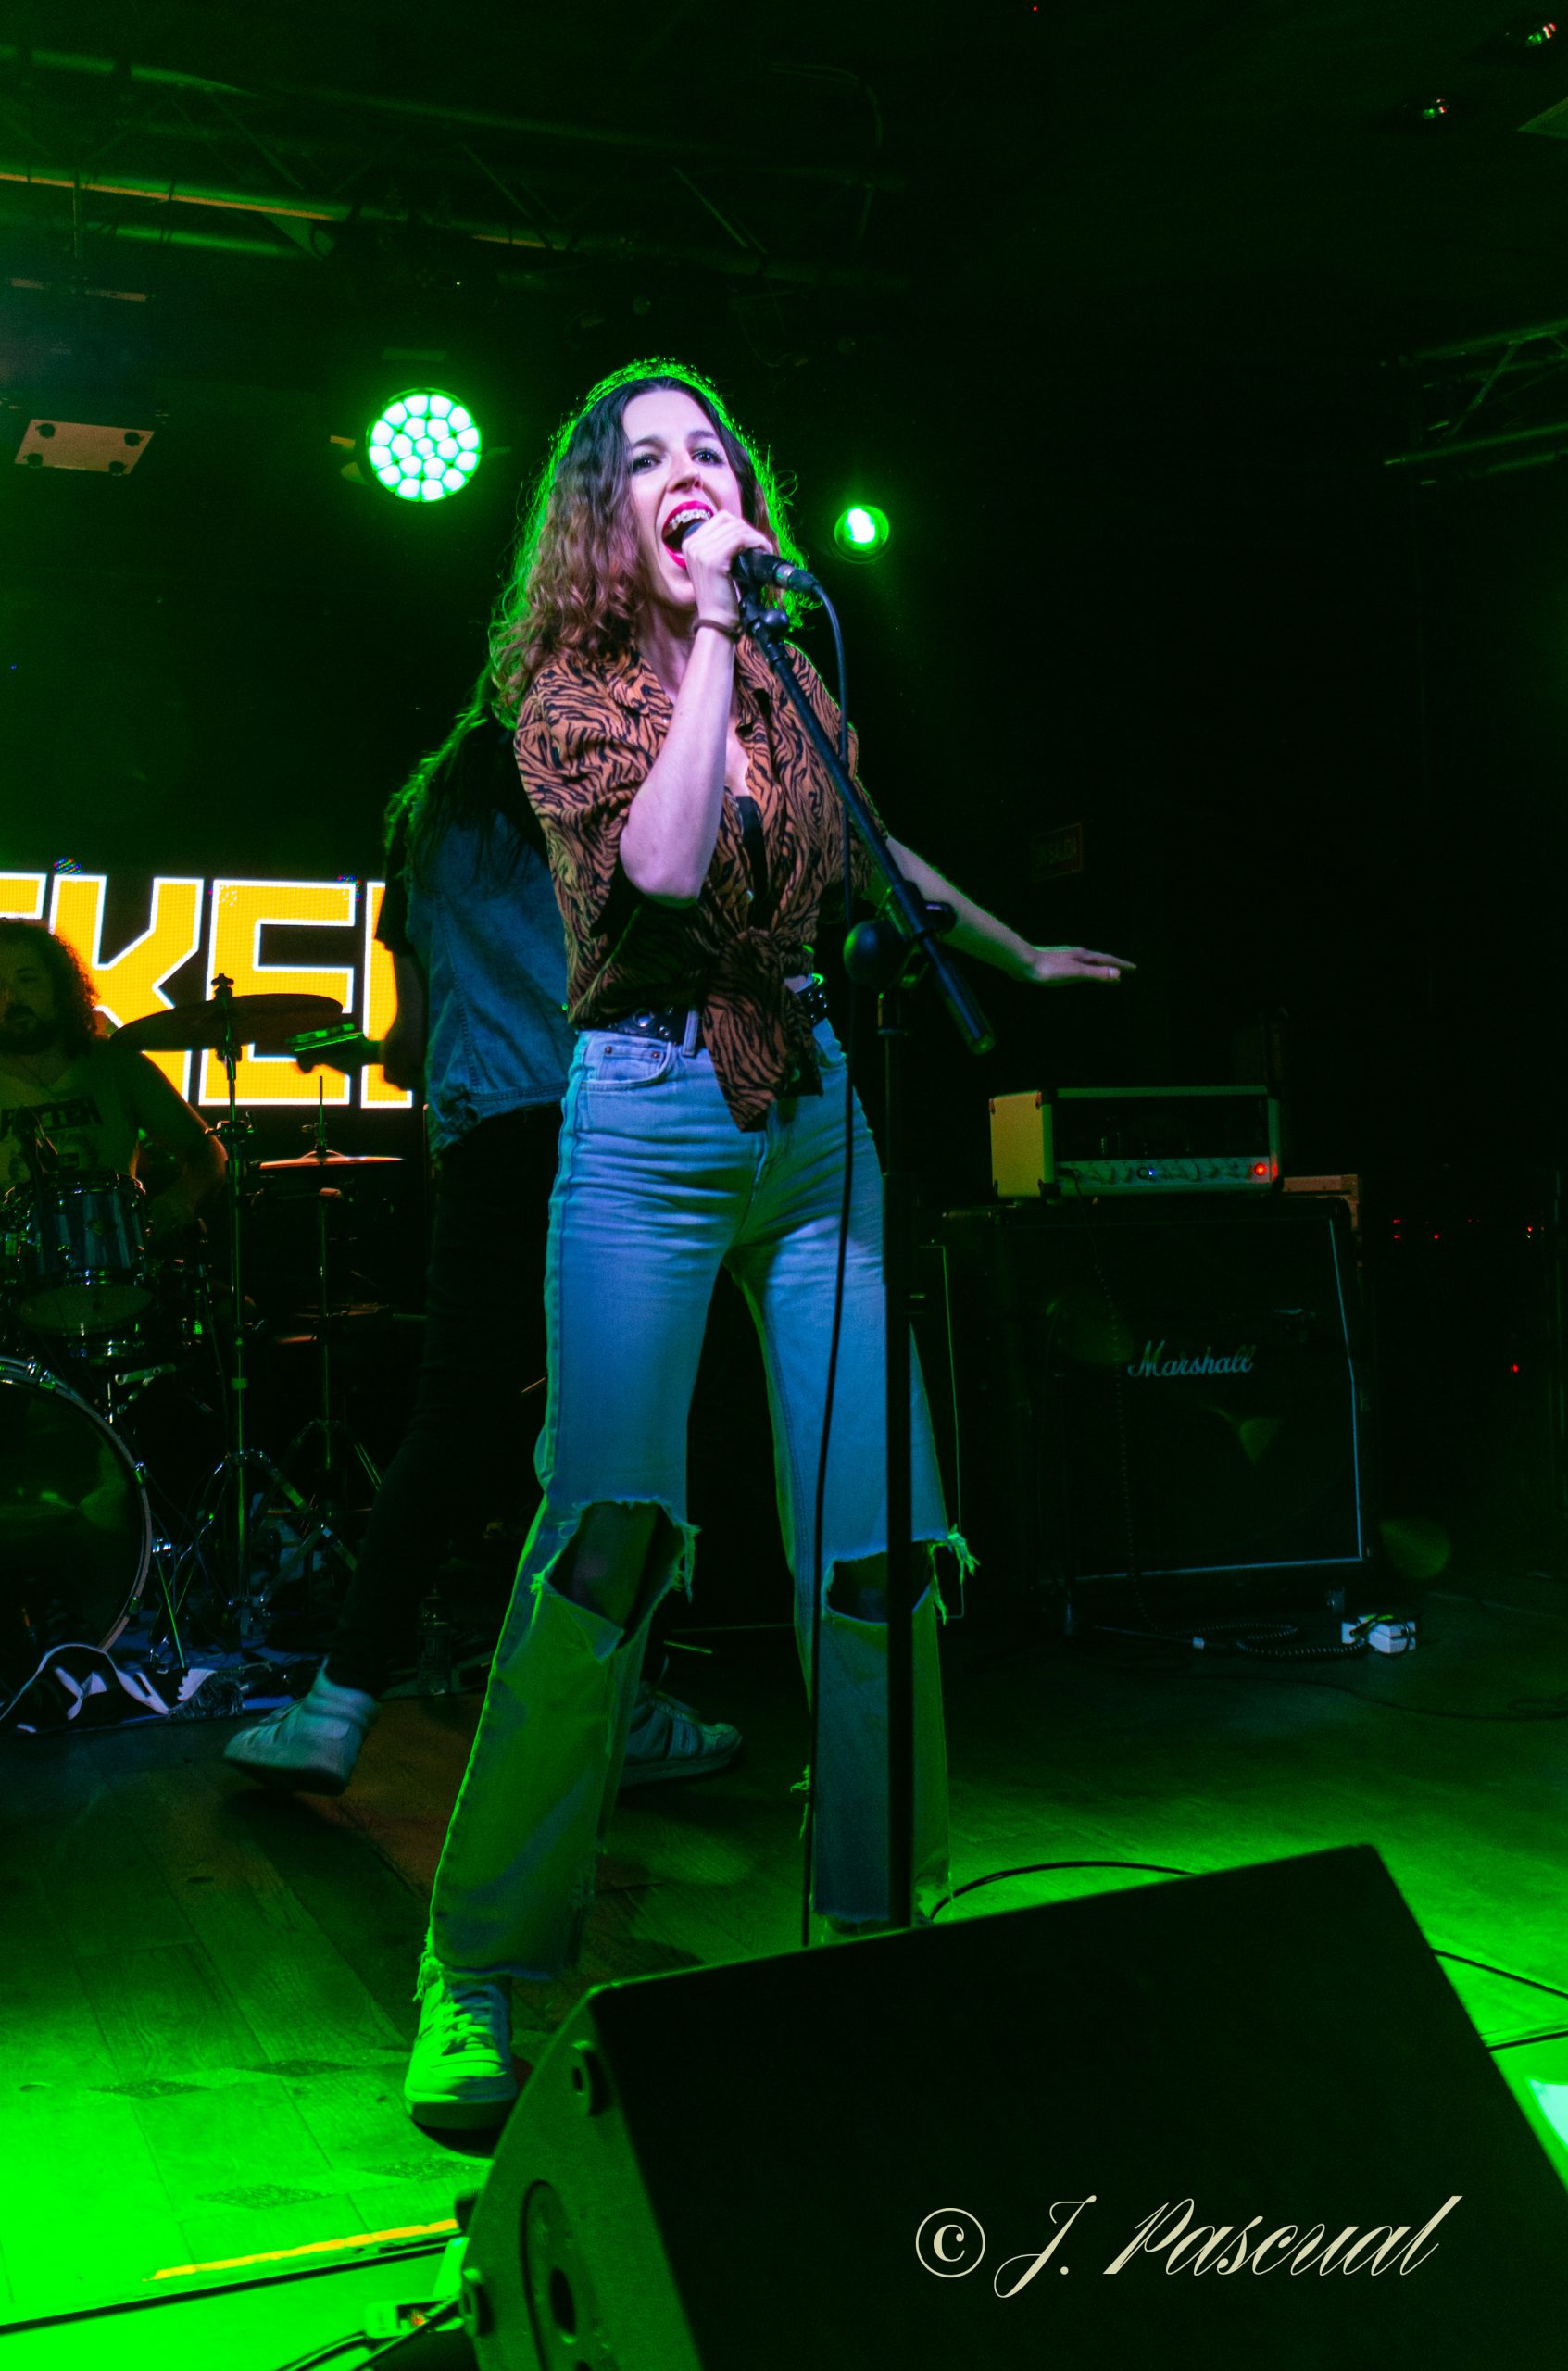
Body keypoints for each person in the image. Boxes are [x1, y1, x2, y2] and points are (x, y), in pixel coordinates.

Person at [402, 359, 1135, 2130]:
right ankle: (479, 1970)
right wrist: (719, 635)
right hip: (644, 1119)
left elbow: (872, 856)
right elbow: (660, 872)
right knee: (604, 1542)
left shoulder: (797, 680)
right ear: (605, 511)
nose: (685, 472)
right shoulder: (564, 690)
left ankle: (880, 1921)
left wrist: (1014, 950)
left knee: (878, 1549)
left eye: (707, 451)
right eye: (645, 458)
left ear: (742, 488)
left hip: (812, 1116)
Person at [222, 696, 743, 1793]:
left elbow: (411, 1045)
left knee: (450, 1418)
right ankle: (616, 1707)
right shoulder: (608, 785)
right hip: (616, 1121)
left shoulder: (425, 833)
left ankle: (335, 1705)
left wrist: (409, 1045)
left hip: (493, 1138)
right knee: (632, 1430)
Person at [0, 918, 224, 1235]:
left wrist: (182, 1199)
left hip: (110, 1250)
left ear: (58, 987)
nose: (12, 998)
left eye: (27, 980)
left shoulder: (117, 1064)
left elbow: (207, 1152)